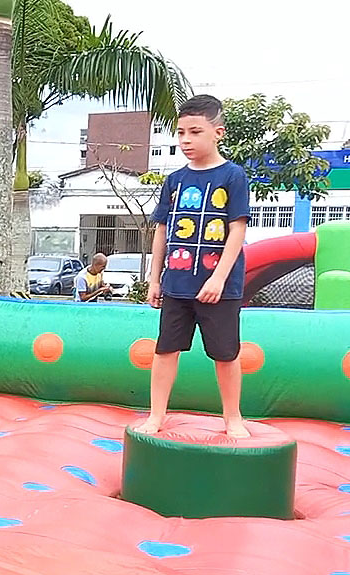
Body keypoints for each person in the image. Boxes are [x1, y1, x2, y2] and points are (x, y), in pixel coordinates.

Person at [136, 94, 251, 438]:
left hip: (220, 288)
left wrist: (218, 278)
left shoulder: (233, 176)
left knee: (225, 354)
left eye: (195, 132)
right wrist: (154, 279)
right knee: (165, 349)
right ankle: (156, 415)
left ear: (218, 133)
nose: (186, 140)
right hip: (177, 284)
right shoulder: (174, 181)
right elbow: (161, 231)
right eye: (181, 133)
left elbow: (237, 229)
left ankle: (233, 417)